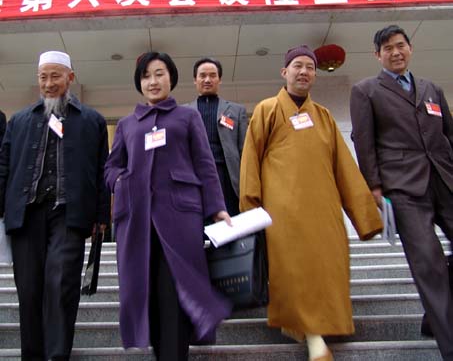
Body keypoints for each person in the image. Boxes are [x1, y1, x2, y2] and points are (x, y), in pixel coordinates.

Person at [240, 45, 382, 361]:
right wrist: (251, 207)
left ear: (315, 75)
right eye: (298, 66)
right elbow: (250, 160)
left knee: (328, 268)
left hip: (323, 209)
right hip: (282, 210)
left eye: (310, 67)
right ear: (284, 72)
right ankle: (315, 339)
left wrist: (365, 215)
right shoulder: (266, 110)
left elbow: (344, 168)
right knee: (293, 271)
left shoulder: (324, 116)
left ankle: (314, 327)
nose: (304, 72)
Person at [104, 51, 232, 360]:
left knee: (176, 291)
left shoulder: (187, 117)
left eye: (159, 73)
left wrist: (217, 207)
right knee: (146, 290)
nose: (153, 81)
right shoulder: (127, 124)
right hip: (137, 220)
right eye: (146, 76)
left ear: (171, 78)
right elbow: (111, 167)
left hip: (180, 216)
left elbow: (204, 164)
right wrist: (120, 180)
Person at [350, 24, 453, 360]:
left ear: (410, 48)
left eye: (400, 46)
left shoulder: (432, 89)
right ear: (377, 55)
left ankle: (433, 318)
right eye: (387, 48)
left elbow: (448, 135)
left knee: (439, 269)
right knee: (429, 265)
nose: (395, 53)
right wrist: (374, 187)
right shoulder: (366, 91)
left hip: (445, 181)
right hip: (404, 189)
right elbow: (364, 142)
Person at [0, 51, 110, 360]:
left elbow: (103, 171)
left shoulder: (92, 120)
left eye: (55, 77)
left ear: (70, 78)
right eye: (43, 77)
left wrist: (102, 215)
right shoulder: (19, 120)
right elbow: (4, 166)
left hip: (69, 215)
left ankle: (57, 355)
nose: (48, 84)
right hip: (26, 214)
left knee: (61, 284)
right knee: (29, 290)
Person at [185, 57, 248, 215]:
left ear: (219, 79)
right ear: (195, 80)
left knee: (228, 222)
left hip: (227, 177)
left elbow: (245, 152)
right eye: (202, 75)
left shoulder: (236, 111)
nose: (207, 80)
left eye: (213, 75)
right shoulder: (182, 113)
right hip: (195, 176)